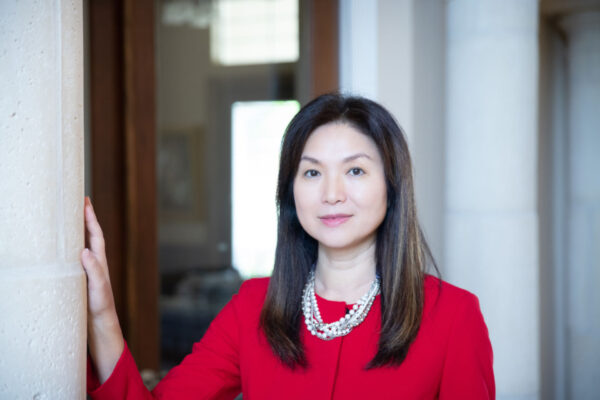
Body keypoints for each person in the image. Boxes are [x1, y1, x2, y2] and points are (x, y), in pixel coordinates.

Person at [82, 93, 495, 399]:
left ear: (391, 186)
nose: (331, 194)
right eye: (312, 173)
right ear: (291, 192)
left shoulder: (453, 316)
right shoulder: (253, 306)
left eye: (355, 170)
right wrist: (102, 312)